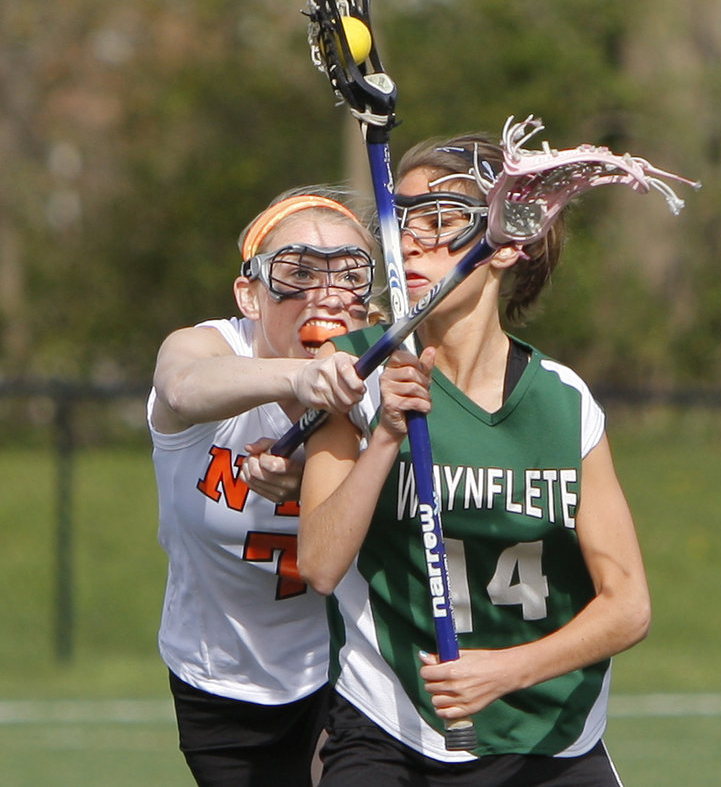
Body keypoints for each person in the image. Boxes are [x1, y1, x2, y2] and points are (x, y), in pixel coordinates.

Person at [292, 135, 652, 786]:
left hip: (548, 738)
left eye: (439, 223)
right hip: (389, 726)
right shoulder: (357, 368)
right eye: (401, 221)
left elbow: (627, 605)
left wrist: (508, 670)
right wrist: (384, 437)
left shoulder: (563, 405)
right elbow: (318, 564)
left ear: (505, 244)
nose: (409, 245)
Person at [147, 188, 381, 787]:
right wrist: (308, 377)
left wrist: (315, 487)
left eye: (349, 274)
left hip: (348, 668)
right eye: (297, 272)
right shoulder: (210, 346)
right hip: (220, 674)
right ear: (248, 295)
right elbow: (183, 387)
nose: (326, 294)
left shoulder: (384, 376)